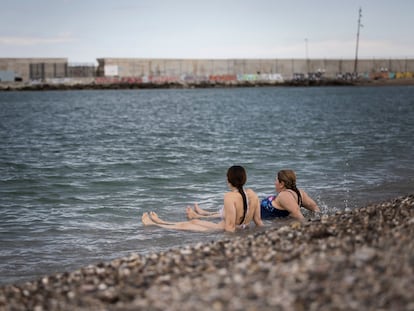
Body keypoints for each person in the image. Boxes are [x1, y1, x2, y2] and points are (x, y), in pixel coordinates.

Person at [141, 165, 264, 232]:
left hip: (221, 228)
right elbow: (258, 221)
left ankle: (154, 224)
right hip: (238, 227)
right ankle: (161, 222)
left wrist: (228, 244)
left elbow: (230, 227)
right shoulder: (252, 193)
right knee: (193, 222)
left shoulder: (230, 196)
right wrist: (259, 234)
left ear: (229, 179)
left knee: (186, 226)